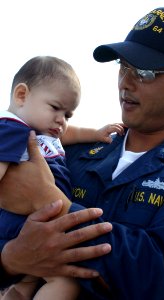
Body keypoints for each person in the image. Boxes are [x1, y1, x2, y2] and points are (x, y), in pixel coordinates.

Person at [0, 6, 164, 300]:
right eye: (123, 66)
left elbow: (158, 279)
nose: (126, 82)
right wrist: (10, 259)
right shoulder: (68, 151)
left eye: (146, 71)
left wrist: (49, 202)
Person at [0, 56, 124, 299]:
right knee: (65, 280)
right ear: (22, 95)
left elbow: (70, 135)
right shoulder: (12, 128)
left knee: (25, 282)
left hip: (36, 218)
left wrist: (96, 133)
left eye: (68, 115)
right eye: (55, 108)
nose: (61, 121)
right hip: (24, 221)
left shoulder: (43, 132)